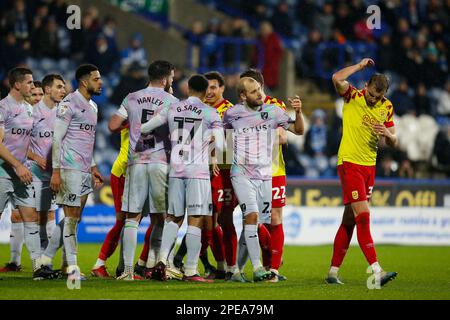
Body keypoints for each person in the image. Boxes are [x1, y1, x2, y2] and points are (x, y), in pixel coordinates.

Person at [143, 74, 225, 282]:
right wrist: (210, 139)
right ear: (207, 92)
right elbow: (223, 147)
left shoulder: (172, 108)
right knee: (195, 220)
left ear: (188, 88)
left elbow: (146, 127)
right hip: (197, 172)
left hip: (176, 170)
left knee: (173, 218)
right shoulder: (211, 113)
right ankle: (190, 270)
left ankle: (162, 260)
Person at [223, 77, 304, 282]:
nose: (260, 94)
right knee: (251, 215)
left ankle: (237, 271)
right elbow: (222, 136)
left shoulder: (273, 111)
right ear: (242, 96)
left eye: (260, 89)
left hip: (265, 176)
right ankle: (258, 267)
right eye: (254, 91)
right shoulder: (232, 114)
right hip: (241, 173)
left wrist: (299, 112)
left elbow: (298, 130)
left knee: (257, 222)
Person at [326, 58, 398, 287]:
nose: (372, 99)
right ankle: (377, 270)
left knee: (349, 220)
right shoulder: (353, 96)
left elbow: (394, 142)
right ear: (366, 86)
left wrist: (387, 135)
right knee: (363, 216)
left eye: (377, 97)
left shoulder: (386, 107)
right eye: (371, 94)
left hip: (369, 167)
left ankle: (332, 271)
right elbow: (336, 78)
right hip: (349, 164)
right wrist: (358, 66)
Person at [108, 60, 178, 281]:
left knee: (132, 217)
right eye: (172, 78)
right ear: (166, 79)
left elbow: (112, 125)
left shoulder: (131, 97)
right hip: (160, 162)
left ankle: (128, 271)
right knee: (161, 217)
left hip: (136, 161)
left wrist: (134, 126)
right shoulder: (173, 101)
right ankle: (156, 265)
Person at [38, 64, 104, 281]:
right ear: (84, 82)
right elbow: (57, 138)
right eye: (96, 79)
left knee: (74, 218)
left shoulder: (93, 106)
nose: (100, 82)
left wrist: (93, 167)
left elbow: (88, 141)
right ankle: (72, 270)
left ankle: (45, 262)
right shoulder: (68, 104)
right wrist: (56, 171)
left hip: (84, 169)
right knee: (72, 218)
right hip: (69, 167)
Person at [173, 71, 234, 280]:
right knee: (203, 221)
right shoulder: (200, 110)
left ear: (222, 89)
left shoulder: (229, 110)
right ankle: (209, 265)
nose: (210, 91)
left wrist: (214, 156)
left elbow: (229, 146)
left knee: (213, 222)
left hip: (219, 173)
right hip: (195, 170)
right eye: (207, 87)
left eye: (214, 87)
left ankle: (221, 265)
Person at [0, 67, 52, 280]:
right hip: (3, 172)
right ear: (17, 84)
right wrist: (17, 166)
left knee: (30, 217)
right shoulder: (3, 108)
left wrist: (31, 160)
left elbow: (24, 143)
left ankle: (38, 266)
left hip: (22, 174)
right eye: (30, 83)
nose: (33, 86)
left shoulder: (29, 109)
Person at [238, 68, 289, 282]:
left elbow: (283, 137)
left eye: (251, 86)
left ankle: (273, 269)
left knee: (274, 220)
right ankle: (246, 266)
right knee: (251, 220)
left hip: (273, 171)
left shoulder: (275, 106)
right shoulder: (240, 110)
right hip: (247, 172)